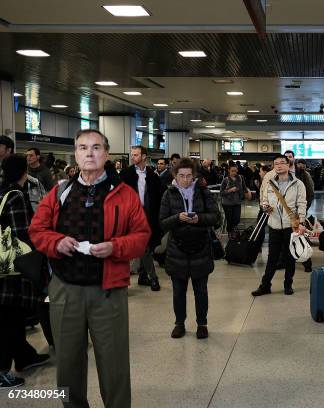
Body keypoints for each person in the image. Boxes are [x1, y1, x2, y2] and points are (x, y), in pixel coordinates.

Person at [29, 129, 151, 407]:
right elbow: (37, 230)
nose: (89, 153)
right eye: (83, 148)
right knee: (68, 362)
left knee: (113, 362)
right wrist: (56, 242)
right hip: (65, 289)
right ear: (76, 153)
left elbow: (142, 236)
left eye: (96, 148)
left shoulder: (124, 194)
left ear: (106, 154)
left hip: (108, 291)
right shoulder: (60, 191)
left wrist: (115, 247)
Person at [0, 154, 50, 388]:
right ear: (23, 172)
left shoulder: (1, 191)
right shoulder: (16, 196)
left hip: (2, 264)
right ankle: (2, 370)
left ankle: (24, 356)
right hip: (13, 267)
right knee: (10, 317)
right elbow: (23, 234)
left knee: (13, 315)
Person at [160, 158, 221, 340]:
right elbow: (162, 223)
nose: (185, 180)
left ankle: (202, 323)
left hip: (200, 248)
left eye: (188, 176)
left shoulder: (203, 192)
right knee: (178, 291)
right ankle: (179, 323)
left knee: (200, 290)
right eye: (181, 176)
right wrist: (178, 217)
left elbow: (216, 217)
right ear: (175, 176)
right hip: (176, 249)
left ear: (194, 176)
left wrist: (199, 219)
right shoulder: (168, 194)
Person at [252, 155, 307, 296]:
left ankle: (288, 284)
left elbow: (302, 204)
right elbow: (264, 200)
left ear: (288, 165)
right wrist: (265, 207)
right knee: (272, 258)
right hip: (274, 225)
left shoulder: (298, 184)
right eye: (276, 164)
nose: (279, 166)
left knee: (290, 257)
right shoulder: (269, 182)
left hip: (290, 226)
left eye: (282, 163)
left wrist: (301, 222)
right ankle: (265, 285)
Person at [120, 145, 163, 291]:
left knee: (148, 247)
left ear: (144, 157)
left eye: (136, 155)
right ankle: (153, 278)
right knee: (143, 246)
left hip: (149, 215)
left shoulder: (152, 175)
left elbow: (160, 195)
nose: (133, 157)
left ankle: (143, 276)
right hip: (132, 216)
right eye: (132, 155)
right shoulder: (126, 174)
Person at [295, 159, 315, 272]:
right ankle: (284, 260)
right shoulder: (284, 175)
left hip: (298, 212)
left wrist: (304, 209)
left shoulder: (303, 174)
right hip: (286, 211)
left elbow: (310, 192)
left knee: (299, 236)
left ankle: (307, 262)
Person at [220, 163, 251, 233]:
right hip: (227, 203)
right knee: (229, 221)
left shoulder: (240, 178)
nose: (234, 172)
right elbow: (221, 193)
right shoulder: (225, 180)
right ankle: (230, 235)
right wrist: (230, 190)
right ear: (228, 170)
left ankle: (234, 234)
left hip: (237, 202)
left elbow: (244, 187)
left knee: (236, 220)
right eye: (232, 171)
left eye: (235, 171)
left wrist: (247, 193)